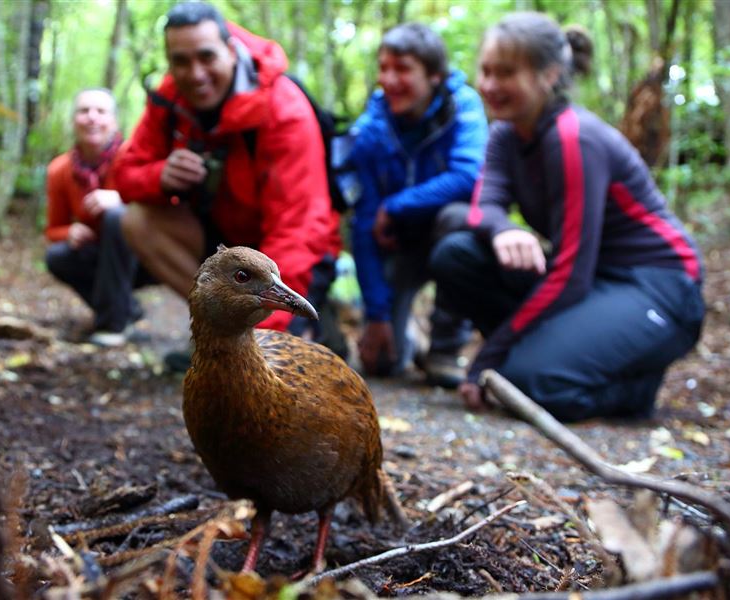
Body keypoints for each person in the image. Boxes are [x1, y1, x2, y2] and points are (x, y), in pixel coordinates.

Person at [430, 13, 704, 421]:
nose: (488, 85)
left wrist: (487, 359)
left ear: (548, 75)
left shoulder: (573, 139)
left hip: (661, 289)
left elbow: (570, 276)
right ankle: (536, 354)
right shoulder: (506, 132)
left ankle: (633, 391)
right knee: (456, 254)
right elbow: (481, 207)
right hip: (594, 283)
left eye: (505, 73)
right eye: (485, 71)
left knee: (529, 385)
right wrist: (503, 229)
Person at [114, 1, 342, 370]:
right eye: (181, 61)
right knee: (135, 219)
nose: (196, 73)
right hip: (223, 242)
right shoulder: (171, 95)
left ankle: (301, 326)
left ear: (231, 51)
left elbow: (299, 231)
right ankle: (217, 338)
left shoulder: (283, 109)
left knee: (290, 360)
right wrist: (159, 176)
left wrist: (273, 334)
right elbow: (123, 174)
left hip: (294, 256)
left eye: (206, 57)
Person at [347, 23, 488, 386]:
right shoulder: (371, 129)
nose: (388, 79)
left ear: (434, 74)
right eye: (383, 67)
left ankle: (445, 345)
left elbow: (468, 177)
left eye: (402, 68)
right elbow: (364, 222)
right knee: (382, 365)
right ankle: (401, 331)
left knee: (459, 218)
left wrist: (395, 206)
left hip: (446, 238)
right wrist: (376, 315)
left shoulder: (463, 108)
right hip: (400, 248)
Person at [44, 88, 142, 347]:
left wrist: (121, 200)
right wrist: (69, 232)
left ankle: (112, 323)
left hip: (142, 256)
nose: (92, 117)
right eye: (84, 111)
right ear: (74, 120)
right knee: (56, 257)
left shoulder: (133, 155)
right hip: (97, 254)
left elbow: (165, 206)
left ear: (114, 121)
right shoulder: (59, 170)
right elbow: (53, 230)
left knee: (114, 216)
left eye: (101, 111)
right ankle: (126, 309)